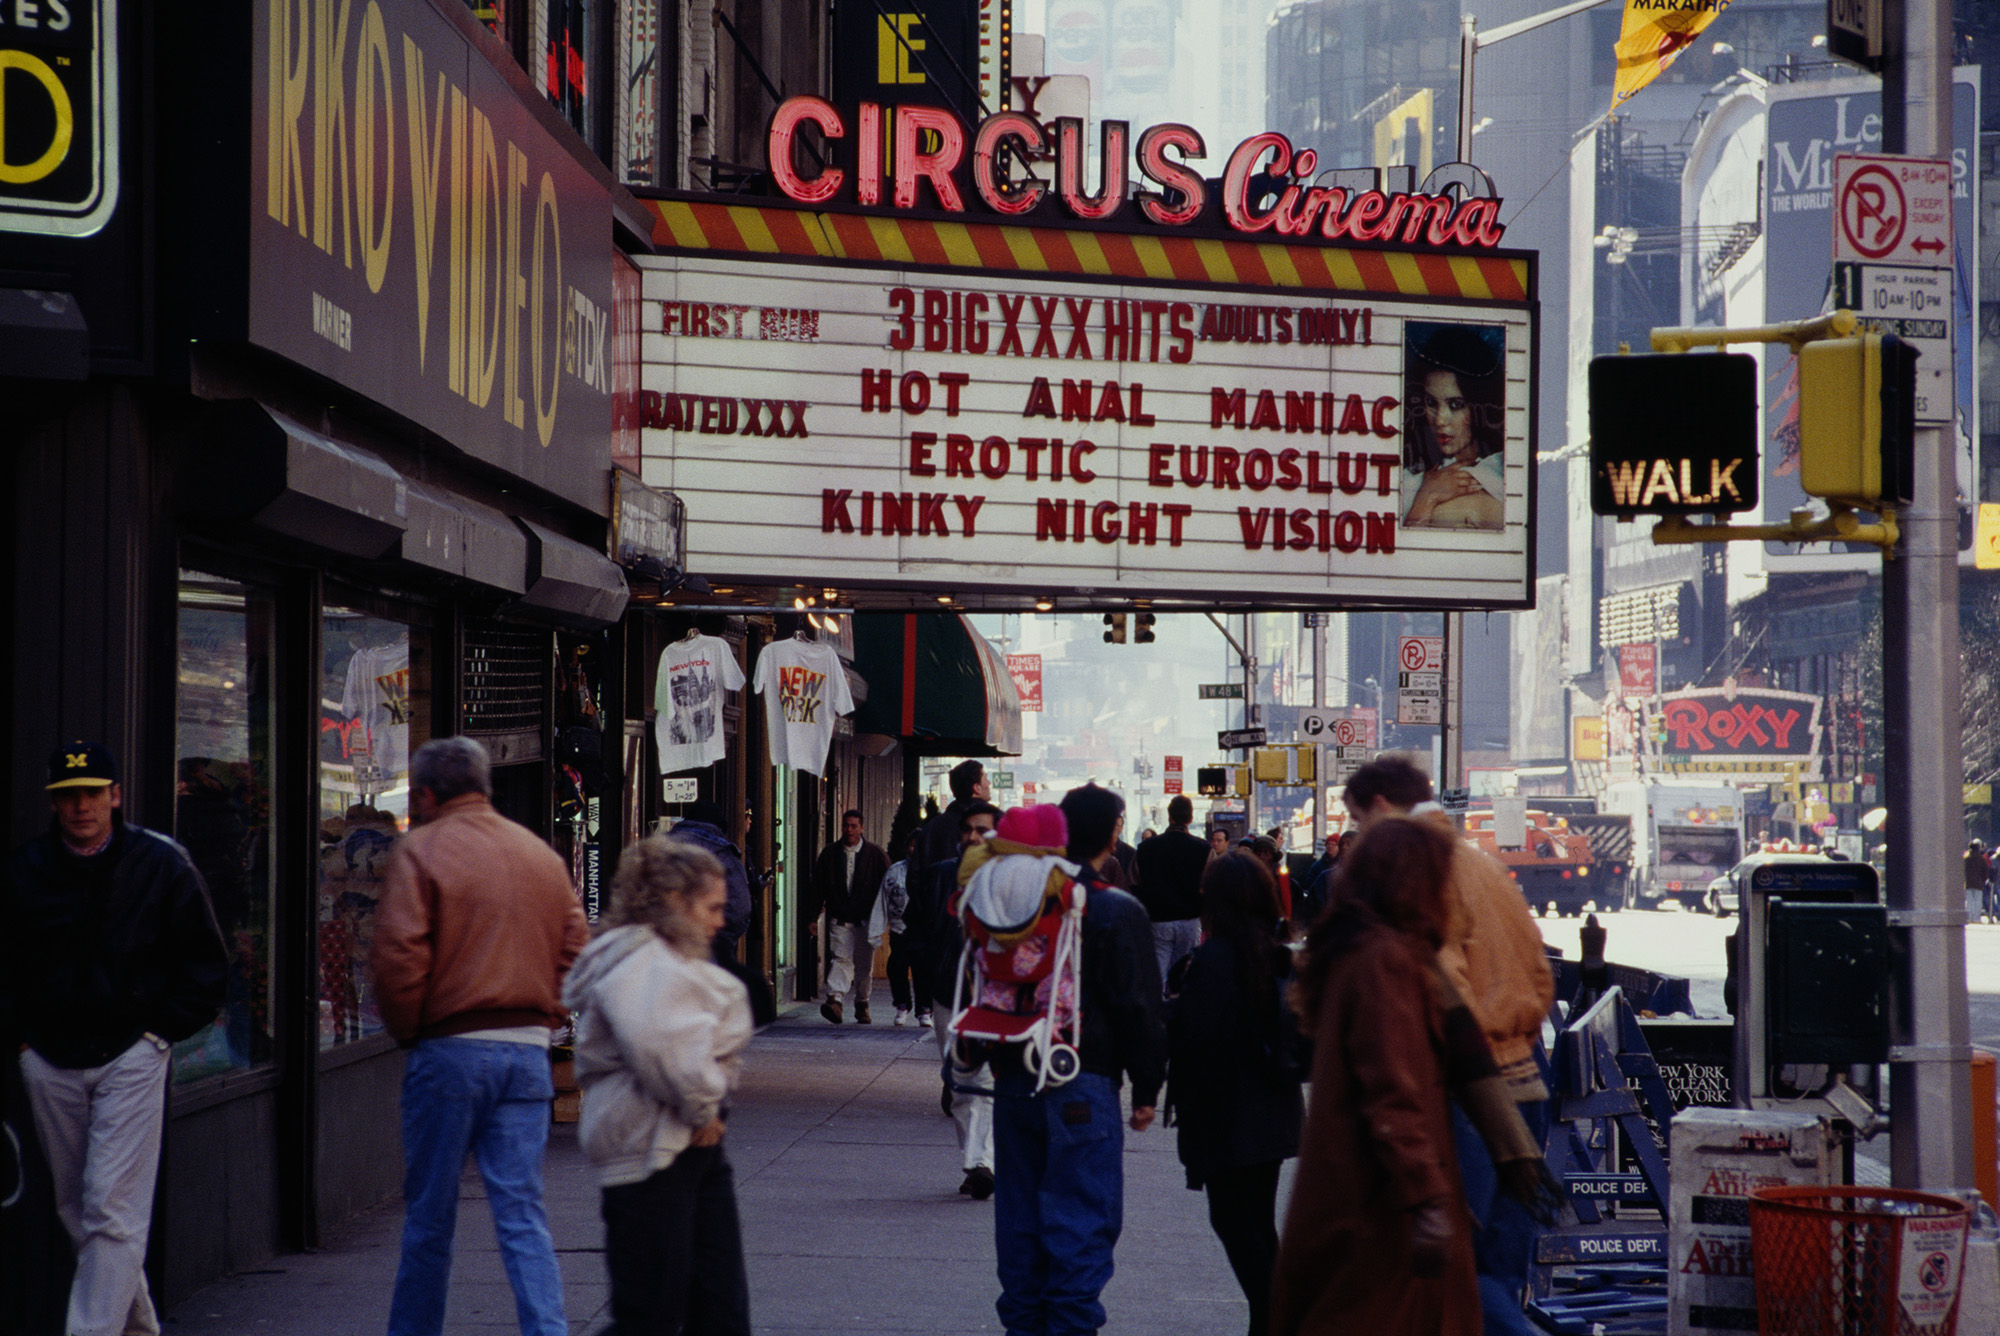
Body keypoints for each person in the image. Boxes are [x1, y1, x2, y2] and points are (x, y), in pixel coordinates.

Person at [4, 741, 229, 1336]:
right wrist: (23, 1043)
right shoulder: (24, 871)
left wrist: (158, 1035)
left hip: (131, 1052)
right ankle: (136, 1327)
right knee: (79, 1207)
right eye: (68, 796)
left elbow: (206, 965)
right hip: (49, 1057)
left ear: (115, 796)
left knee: (109, 1209)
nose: (81, 807)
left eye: (92, 794)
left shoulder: (161, 863)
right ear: (54, 804)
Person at [371, 736, 590, 1336]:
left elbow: (397, 956)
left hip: (448, 1050)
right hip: (524, 1052)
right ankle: (547, 1330)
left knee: (430, 1219)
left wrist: (413, 1028)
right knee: (523, 1212)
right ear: (485, 786)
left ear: (424, 793)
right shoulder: (539, 855)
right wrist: (546, 1012)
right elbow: (576, 946)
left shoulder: (422, 851)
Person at [1342, 755, 1555, 1336]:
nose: (1360, 839)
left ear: (1382, 809)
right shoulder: (1483, 867)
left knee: (1456, 1276)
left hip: (1470, 1096)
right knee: (1498, 1272)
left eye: (1359, 823)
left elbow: (1442, 994)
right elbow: (1540, 978)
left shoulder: (1419, 872)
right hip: (1529, 1084)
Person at [1272, 817, 1477, 1336]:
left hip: (1361, 1195)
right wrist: (1428, 1199)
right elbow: (1391, 1092)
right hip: (1379, 1207)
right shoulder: (1385, 960)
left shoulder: (1364, 948)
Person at [989, 783, 1166, 1336]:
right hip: (1081, 1081)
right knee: (1081, 1223)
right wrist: (1146, 1089)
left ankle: (1023, 1326)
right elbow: (1139, 1006)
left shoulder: (1016, 898)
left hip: (1015, 1077)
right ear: (1115, 832)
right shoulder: (1115, 909)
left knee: (1019, 1222)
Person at [564, 837, 754, 1336]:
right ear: (675, 902)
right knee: (651, 1314)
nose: (720, 921)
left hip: (680, 1144)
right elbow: (666, 1050)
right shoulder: (643, 963)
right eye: (711, 907)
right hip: (654, 1146)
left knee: (715, 1310)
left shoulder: (662, 960)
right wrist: (703, 1108)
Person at [1166, 853, 1305, 1336]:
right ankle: (1270, 1319)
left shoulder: (1211, 961)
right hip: (1273, 1113)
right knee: (1258, 1226)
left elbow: (1196, 1038)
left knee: (1236, 1227)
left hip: (1225, 1118)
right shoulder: (1276, 955)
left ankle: (1276, 1319)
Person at [925, 800, 1002, 1196]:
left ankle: (981, 1162)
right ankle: (975, 1160)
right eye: (967, 829)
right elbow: (925, 931)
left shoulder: (1009, 877)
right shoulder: (941, 876)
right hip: (948, 993)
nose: (973, 837)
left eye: (983, 830)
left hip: (997, 999)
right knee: (959, 1082)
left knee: (985, 1080)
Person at [1402, 323, 1506, 531]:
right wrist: (1427, 497)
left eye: (1456, 405)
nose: (1440, 420)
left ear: (1479, 406)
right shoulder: (1411, 478)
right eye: (1431, 403)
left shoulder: (1498, 475)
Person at [809, 810, 889, 1024]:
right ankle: (835, 999)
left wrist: (888, 915)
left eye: (854, 826)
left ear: (862, 828)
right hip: (841, 918)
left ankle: (862, 1002)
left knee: (864, 966)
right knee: (841, 959)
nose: (849, 830)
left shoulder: (875, 854)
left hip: (866, 919)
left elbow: (889, 886)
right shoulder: (830, 854)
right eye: (846, 825)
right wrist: (813, 916)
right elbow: (818, 887)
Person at [1135, 796, 1209, 987]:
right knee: (1185, 972)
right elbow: (1211, 885)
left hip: (1158, 919)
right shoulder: (1204, 849)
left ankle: (1158, 1011)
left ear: (1169, 817)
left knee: (1157, 973)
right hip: (1190, 920)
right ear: (1190, 819)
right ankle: (1182, 1009)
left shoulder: (1146, 849)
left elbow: (1134, 884)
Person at [665, 801, 752, 965]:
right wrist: (720, 942)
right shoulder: (723, 853)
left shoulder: (657, 846)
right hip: (706, 953)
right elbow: (740, 908)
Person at [877, 828, 925, 1026]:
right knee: (897, 968)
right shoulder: (895, 871)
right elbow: (882, 901)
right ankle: (902, 1005)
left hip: (923, 931)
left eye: (919, 845)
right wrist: (876, 931)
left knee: (923, 971)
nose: (915, 849)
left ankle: (925, 1009)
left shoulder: (932, 870)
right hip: (899, 928)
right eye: (912, 845)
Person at [922, 759, 992, 873]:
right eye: (985, 778)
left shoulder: (932, 827)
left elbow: (915, 877)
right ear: (977, 788)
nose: (989, 783)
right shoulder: (994, 823)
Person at [1967, 840, 1992, 924]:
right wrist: (1983, 880)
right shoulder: (1982, 859)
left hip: (1968, 883)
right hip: (1978, 883)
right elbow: (1986, 871)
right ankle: (1976, 918)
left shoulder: (1966, 858)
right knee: (1977, 901)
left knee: (1969, 901)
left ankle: (1970, 917)